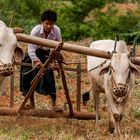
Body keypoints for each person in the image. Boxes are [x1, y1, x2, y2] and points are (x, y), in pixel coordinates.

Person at [20, 9, 62, 109]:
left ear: (54, 24)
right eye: (46, 23)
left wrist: (55, 62)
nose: (48, 26)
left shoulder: (57, 31)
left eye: (51, 24)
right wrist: (37, 61)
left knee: (49, 78)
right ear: (42, 22)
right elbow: (31, 49)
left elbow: (58, 48)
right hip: (33, 55)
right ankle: (31, 104)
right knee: (28, 78)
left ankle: (54, 104)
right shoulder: (35, 31)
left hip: (47, 55)